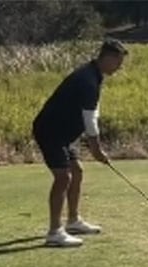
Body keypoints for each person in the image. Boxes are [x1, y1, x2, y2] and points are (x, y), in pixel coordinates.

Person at [32, 39, 127, 247]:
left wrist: (96, 147)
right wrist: (96, 148)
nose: (120, 67)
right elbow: (90, 119)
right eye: (118, 62)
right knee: (63, 176)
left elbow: (92, 112)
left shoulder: (94, 75)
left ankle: (73, 221)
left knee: (77, 172)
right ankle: (55, 232)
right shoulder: (87, 80)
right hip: (50, 131)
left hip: (64, 134)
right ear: (108, 58)